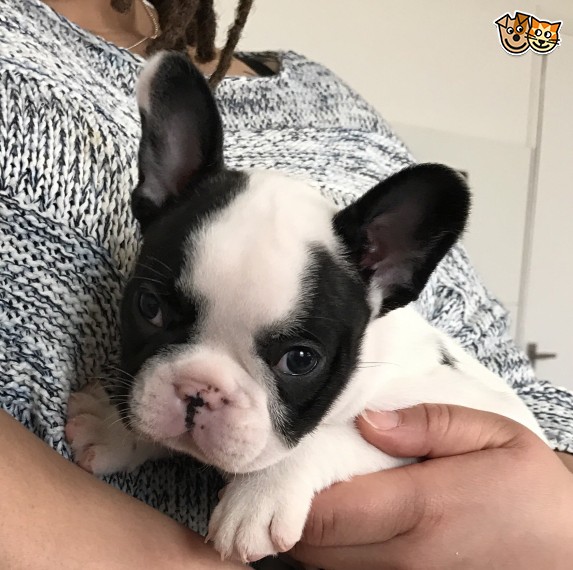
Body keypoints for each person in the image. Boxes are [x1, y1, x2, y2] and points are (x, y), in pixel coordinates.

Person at [1, 1, 572, 568]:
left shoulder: (409, 370)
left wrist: (309, 462)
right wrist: (140, 433)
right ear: (161, 189)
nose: (202, 394)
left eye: (296, 358)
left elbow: (505, 438)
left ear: (387, 278)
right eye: (156, 310)